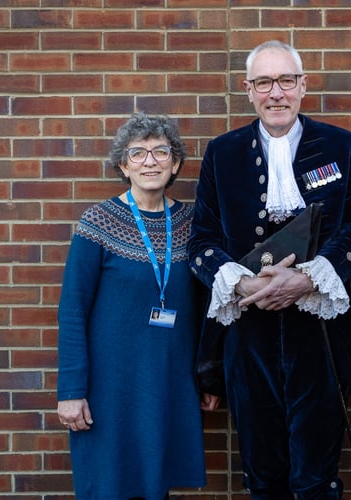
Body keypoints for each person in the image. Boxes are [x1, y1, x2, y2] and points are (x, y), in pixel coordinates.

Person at [187, 40, 351, 499]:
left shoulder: (341, 146)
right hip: (248, 335)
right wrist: (246, 283)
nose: (276, 93)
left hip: (320, 335)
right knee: (263, 472)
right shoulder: (222, 152)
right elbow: (202, 242)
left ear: (302, 86)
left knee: (316, 474)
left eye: (286, 80)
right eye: (264, 82)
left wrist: (307, 279)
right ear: (248, 90)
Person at [57, 112, 219, 500]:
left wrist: (208, 375)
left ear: (175, 163)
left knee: (155, 483)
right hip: (109, 385)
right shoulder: (96, 223)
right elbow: (72, 310)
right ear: (123, 165)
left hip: (167, 378)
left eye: (161, 152)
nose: (150, 161)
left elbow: (208, 306)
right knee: (110, 483)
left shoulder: (192, 224)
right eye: (138, 153)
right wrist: (71, 390)